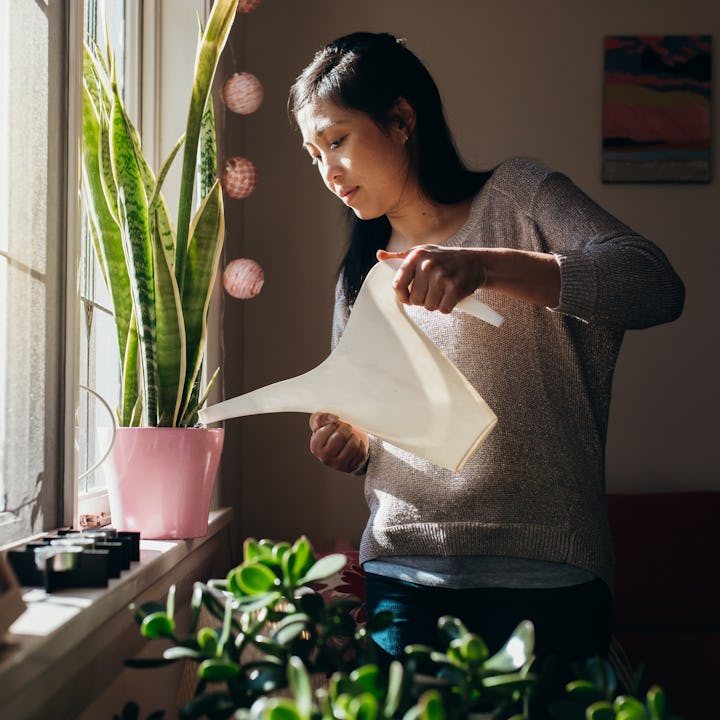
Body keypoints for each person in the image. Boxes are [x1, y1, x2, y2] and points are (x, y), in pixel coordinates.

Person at [287, 30, 685, 681]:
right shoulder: (359, 273)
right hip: (401, 576)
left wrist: (484, 267)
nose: (327, 169)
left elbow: (654, 284)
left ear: (402, 118)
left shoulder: (519, 199)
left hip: (549, 575)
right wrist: (351, 443)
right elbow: (367, 428)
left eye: (336, 139)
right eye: (312, 153)